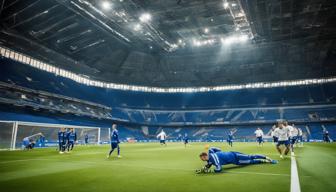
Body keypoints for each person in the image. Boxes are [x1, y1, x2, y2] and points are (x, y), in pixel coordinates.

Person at [196, 147, 277, 174]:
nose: (201, 159)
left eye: (202, 158)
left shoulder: (213, 158)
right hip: (235, 161)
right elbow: (209, 163)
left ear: (205, 156)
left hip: (235, 155)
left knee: (250, 157)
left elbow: (219, 169)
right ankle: (263, 161)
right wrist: (203, 169)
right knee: (250, 162)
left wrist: (209, 171)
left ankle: (268, 158)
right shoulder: (210, 155)